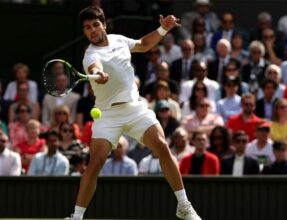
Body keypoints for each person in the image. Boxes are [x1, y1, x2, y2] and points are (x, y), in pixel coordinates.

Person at [65, 6, 201, 220]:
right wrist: (98, 73)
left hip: (135, 108)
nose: (91, 30)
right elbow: (94, 67)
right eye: (87, 27)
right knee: (95, 163)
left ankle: (184, 205)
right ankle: (77, 217)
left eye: (95, 25)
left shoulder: (119, 40)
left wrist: (163, 29)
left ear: (104, 25)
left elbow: (144, 45)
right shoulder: (90, 55)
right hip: (108, 114)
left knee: (162, 146)